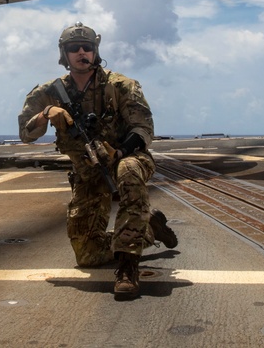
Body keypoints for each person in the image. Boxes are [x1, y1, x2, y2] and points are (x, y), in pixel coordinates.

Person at [18, 24, 178, 299]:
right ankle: (149, 228)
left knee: (128, 170)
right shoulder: (48, 92)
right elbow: (26, 134)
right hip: (88, 172)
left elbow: (143, 130)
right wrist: (46, 113)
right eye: (74, 48)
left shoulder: (121, 86)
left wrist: (119, 152)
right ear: (64, 54)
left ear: (96, 51)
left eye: (87, 47)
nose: (82, 52)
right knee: (87, 255)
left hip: (127, 158)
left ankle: (128, 268)